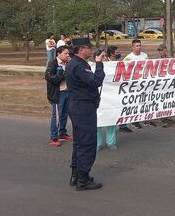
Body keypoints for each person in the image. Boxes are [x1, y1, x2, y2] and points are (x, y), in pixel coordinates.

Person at [65, 37, 105, 191]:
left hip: (80, 105)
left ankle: (76, 175)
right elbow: (95, 81)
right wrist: (100, 64)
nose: (91, 49)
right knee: (87, 143)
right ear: (81, 50)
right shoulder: (79, 66)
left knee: (79, 142)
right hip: (83, 107)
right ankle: (83, 179)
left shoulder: (77, 63)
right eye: (89, 47)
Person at [45, 45, 74, 147]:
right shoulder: (53, 64)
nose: (67, 55)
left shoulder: (68, 63)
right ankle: (54, 137)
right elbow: (48, 76)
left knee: (64, 115)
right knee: (57, 116)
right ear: (58, 54)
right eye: (65, 53)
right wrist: (61, 75)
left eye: (68, 53)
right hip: (58, 94)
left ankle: (62, 132)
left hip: (67, 92)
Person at [121, 39, 150, 130]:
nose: (139, 47)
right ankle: (134, 121)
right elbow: (122, 67)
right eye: (137, 46)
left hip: (143, 83)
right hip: (133, 84)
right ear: (133, 47)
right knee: (135, 102)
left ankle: (144, 118)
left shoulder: (145, 56)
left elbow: (149, 66)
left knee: (144, 101)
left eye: (140, 45)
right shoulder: (129, 57)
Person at [96, 46, 120, 151]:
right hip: (98, 98)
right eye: (102, 56)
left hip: (110, 98)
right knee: (97, 122)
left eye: (105, 56)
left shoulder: (113, 66)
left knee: (111, 120)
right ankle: (97, 143)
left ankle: (111, 142)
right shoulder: (92, 67)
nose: (104, 58)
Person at [156, 43, 172, 127]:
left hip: (169, 83)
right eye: (159, 50)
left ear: (165, 50)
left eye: (161, 50)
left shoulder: (170, 59)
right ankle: (162, 118)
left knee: (168, 100)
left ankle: (166, 116)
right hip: (160, 83)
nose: (160, 52)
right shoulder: (156, 60)